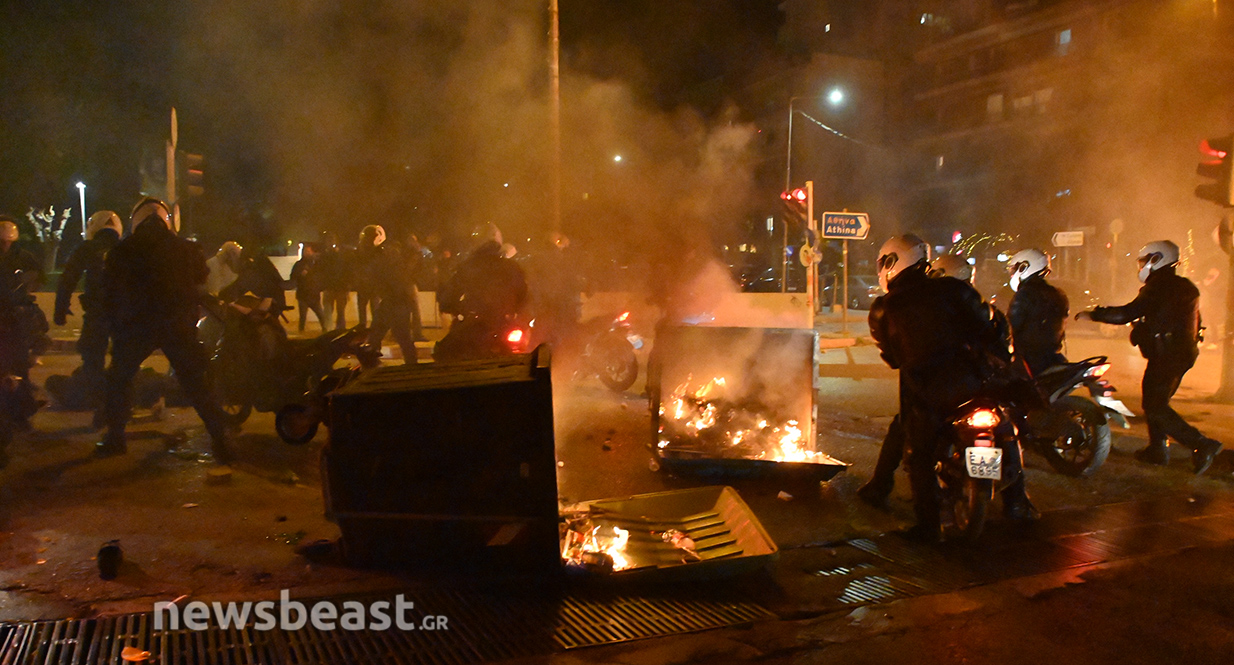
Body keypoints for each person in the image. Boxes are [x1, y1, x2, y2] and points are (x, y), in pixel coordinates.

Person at [868, 235, 1035, 542]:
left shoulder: (883, 310)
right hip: (978, 384)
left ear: (892, 263)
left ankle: (929, 528)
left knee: (918, 457)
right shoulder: (955, 289)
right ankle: (1017, 502)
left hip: (928, 395)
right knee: (1007, 429)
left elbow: (893, 359)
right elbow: (992, 327)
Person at [98, 198, 233, 461]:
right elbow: (201, 277)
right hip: (177, 325)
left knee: (119, 379)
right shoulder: (187, 249)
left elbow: (110, 292)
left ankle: (115, 437)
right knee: (197, 384)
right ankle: (221, 440)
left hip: (136, 326)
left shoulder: (122, 250)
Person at [1076, 240, 1223, 473]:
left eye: (1144, 261)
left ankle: (1202, 444)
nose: (1141, 266)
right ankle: (1157, 450)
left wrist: (1094, 315)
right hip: (1181, 353)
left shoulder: (1158, 286)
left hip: (1167, 354)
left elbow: (1127, 313)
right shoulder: (1185, 286)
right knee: (1156, 402)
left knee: (1154, 406)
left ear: (1157, 259)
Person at [53, 210, 123, 397]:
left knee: (92, 358)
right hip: (125, 313)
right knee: (124, 361)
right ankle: (119, 404)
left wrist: (60, 311)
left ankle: (96, 399)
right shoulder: (129, 248)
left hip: (97, 312)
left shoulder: (87, 248)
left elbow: (68, 279)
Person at [1006, 248, 1070, 377]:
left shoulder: (1025, 294)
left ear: (1024, 267)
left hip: (1027, 359)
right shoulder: (1058, 294)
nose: (1012, 274)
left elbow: (1011, 326)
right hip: (1051, 355)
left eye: (1014, 269)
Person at [352, 225, 386, 329]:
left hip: (363, 284)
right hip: (373, 284)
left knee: (363, 309)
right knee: (374, 309)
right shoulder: (377, 250)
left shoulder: (360, 249)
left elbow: (355, 266)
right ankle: (374, 330)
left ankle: (362, 329)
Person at [316, 232, 351, 330]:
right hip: (339, 287)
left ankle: (328, 329)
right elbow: (347, 271)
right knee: (339, 312)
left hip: (331, 287)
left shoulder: (324, 256)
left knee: (329, 310)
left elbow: (321, 271)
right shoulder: (342, 256)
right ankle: (339, 329)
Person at [0, 217, 42, 293]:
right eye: (2, 242)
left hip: (17, 298)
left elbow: (38, 275)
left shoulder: (23, 256)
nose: (6, 245)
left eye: (9, 242)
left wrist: (26, 286)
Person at [290, 242, 326, 333]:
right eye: (306, 251)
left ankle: (325, 330)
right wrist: (301, 274)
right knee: (303, 317)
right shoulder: (299, 265)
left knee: (321, 315)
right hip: (303, 295)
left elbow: (321, 277)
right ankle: (301, 331)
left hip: (314, 295)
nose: (307, 253)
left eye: (309, 251)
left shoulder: (316, 265)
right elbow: (293, 277)